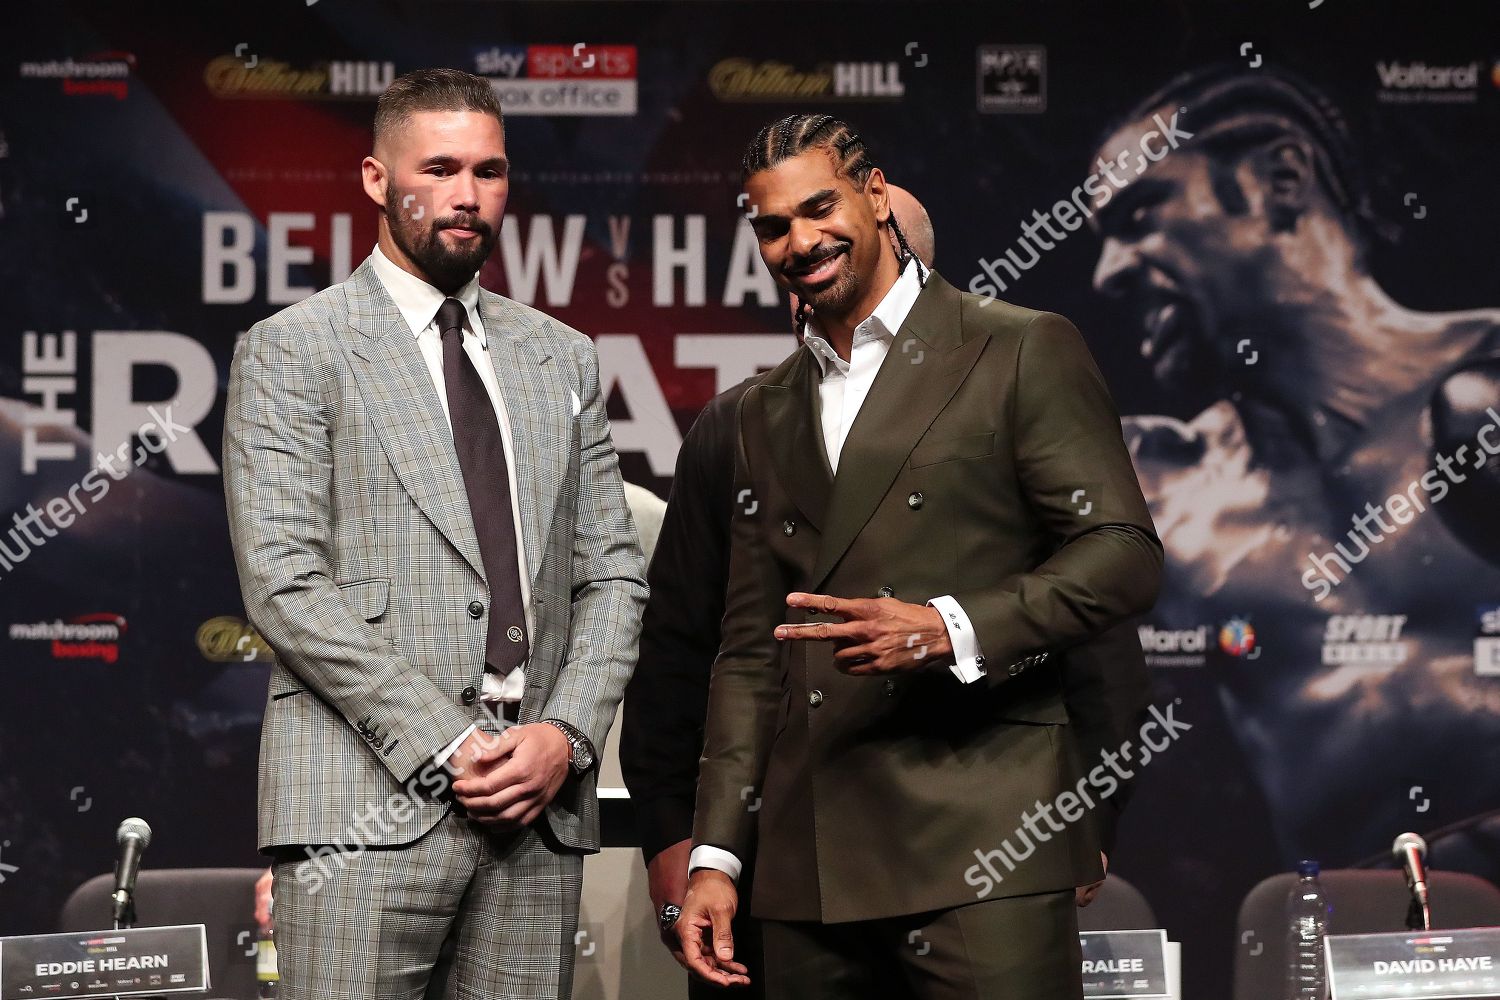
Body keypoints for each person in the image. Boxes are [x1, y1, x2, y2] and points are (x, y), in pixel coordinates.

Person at [675, 113, 1162, 999]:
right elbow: (750, 657)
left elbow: (1121, 552)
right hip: (805, 857)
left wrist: (952, 627)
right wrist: (715, 856)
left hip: (982, 846)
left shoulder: (1017, 347)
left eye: (819, 207)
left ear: (874, 195)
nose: (800, 240)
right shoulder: (757, 413)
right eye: (773, 226)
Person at [224, 68, 646, 1000]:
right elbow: (286, 582)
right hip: (362, 805)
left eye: (489, 172)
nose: (467, 197)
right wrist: (454, 743)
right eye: (442, 168)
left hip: (537, 813)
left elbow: (613, 576)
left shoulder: (561, 356)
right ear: (377, 179)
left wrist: (564, 737)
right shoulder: (296, 348)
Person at [1087, 65, 1500, 871]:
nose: (1108, 272)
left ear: (1280, 180)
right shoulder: (1158, 488)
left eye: (1140, 214)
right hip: (1333, 956)